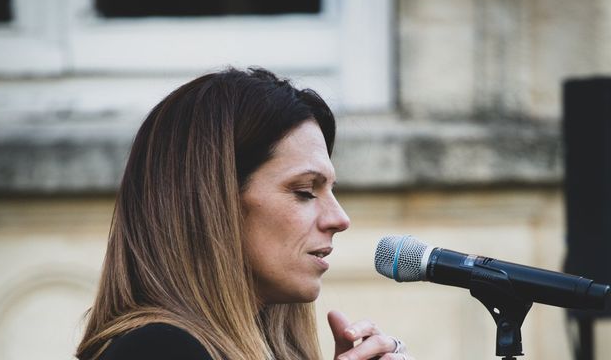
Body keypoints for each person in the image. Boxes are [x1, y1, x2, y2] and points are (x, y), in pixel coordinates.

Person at [76, 67, 412, 360]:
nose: (339, 219)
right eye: (305, 191)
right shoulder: (158, 350)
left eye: (331, 191)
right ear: (212, 203)